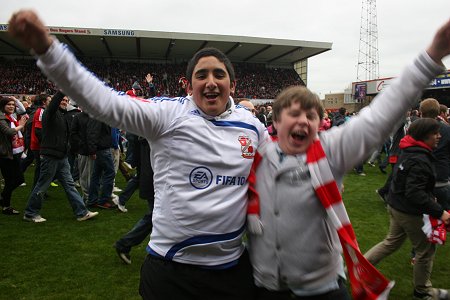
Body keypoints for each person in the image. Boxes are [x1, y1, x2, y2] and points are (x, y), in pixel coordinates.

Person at [8, 10, 268, 299]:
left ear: (232, 85)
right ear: (188, 84)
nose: (210, 81)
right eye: (201, 75)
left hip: (232, 268)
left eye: (219, 74)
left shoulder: (253, 126)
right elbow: (104, 103)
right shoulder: (168, 114)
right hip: (172, 270)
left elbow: (284, 169)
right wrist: (49, 51)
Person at [246, 19, 450, 300]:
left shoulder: (330, 149)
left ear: (320, 124)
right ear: (277, 121)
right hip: (264, 286)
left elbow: (378, 118)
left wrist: (431, 56)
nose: (303, 121)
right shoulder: (256, 156)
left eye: (311, 116)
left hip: (322, 289)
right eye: (294, 114)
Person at [364, 118, 450, 300]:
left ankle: (358, 268)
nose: (439, 136)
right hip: (408, 211)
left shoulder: (409, 149)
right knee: (425, 251)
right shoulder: (419, 158)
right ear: (425, 136)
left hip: (396, 206)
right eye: (435, 133)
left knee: (391, 242)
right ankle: (422, 291)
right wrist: (439, 211)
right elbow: (415, 193)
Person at [22, 92, 99, 223]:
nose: (64, 102)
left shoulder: (61, 116)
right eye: (62, 100)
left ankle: (82, 212)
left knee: (70, 185)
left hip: (61, 157)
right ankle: (30, 213)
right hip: (50, 156)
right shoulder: (50, 113)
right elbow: (54, 103)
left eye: (66, 100)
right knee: (42, 185)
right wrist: (64, 87)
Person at [0, 96, 27, 215]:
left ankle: (6, 205)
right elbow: (9, 132)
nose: (11, 106)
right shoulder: (2, 118)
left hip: (13, 153)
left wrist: (16, 101)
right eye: (8, 104)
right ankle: (4, 201)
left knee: (11, 180)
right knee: (17, 179)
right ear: (3, 106)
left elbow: (23, 112)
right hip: (5, 154)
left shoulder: (11, 117)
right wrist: (20, 125)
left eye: (12, 104)